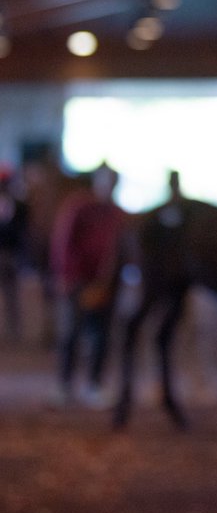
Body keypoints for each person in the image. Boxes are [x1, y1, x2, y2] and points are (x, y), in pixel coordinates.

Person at [51, 164, 128, 407]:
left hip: (105, 284)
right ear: (97, 182)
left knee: (102, 336)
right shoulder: (79, 207)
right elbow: (64, 243)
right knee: (70, 334)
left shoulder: (117, 214)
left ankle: (94, 384)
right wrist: (67, 277)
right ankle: (64, 386)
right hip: (77, 282)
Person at [0, 167, 29, 343]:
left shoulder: (19, 205)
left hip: (11, 254)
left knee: (12, 295)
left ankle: (14, 332)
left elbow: (23, 231)